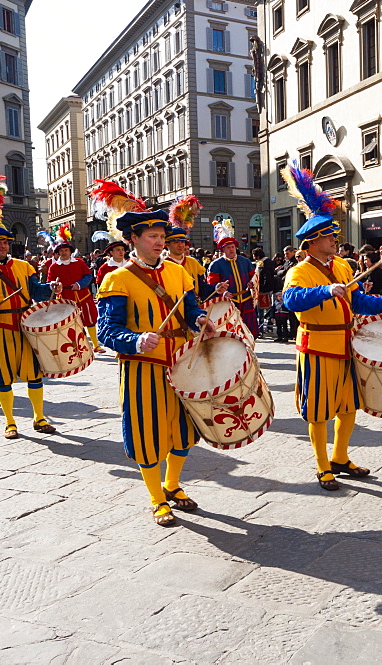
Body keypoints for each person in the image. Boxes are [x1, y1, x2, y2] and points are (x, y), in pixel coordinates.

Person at [279, 165, 382, 491]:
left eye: (333, 235)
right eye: (328, 236)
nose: (335, 239)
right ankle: (322, 467)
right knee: (319, 412)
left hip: (346, 345)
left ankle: (340, 457)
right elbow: (290, 301)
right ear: (310, 243)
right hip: (317, 347)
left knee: (349, 407)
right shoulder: (300, 271)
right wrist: (324, 291)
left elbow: (358, 302)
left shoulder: (344, 265)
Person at [95, 195, 215, 526]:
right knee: (147, 435)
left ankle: (172, 484)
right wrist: (135, 340)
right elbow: (106, 331)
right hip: (142, 369)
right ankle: (156, 498)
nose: (159, 242)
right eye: (152, 236)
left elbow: (190, 308)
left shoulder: (179, 273)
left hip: (181, 363)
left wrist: (200, 319)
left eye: (162, 236)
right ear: (132, 240)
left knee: (184, 431)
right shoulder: (116, 280)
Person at [0, 173, 63, 439]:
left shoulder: (24, 266)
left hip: (27, 327)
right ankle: (10, 422)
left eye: (5, 241)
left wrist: (50, 289)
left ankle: (39, 418)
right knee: (3, 378)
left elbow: (35, 292)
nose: (3, 245)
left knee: (34, 375)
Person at [46, 227, 103, 353]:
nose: (64, 253)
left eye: (66, 250)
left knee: (90, 319)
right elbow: (49, 282)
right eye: (61, 251)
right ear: (57, 253)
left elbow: (88, 276)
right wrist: (54, 286)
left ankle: (95, 345)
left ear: (70, 252)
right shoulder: (54, 266)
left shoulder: (79, 262)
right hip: (65, 297)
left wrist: (79, 284)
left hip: (83, 295)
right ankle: (79, 346)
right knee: (71, 324)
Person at [207, 219, 258, 337]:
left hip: (246, 300)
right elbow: (211, 286)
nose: (231, 249)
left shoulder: (245, 261)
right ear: (223, 249)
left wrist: (252, 284)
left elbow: (254, 277)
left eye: (233, 247)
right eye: (228, 247)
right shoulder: (216, 265)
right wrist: (223, 293)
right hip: (228, 303)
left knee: (249, 331)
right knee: (231, 332)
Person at [164, 224, 211, 300]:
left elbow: (202, 287)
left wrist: (216, 288)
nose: (180, 245)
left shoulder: (193, 262)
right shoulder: (162, 264)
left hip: (194, 308)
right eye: (176, 242)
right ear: (167, 244)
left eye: (182, 242)